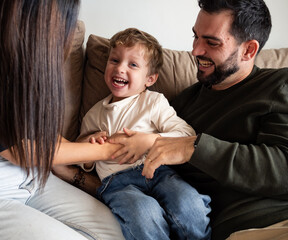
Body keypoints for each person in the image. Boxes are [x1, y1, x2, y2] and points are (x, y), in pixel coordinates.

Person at [0, 1, 125, 240]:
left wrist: (83, 145)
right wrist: (111, 150)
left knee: (118, 232)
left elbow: (33, 132)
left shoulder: (23, 59)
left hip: (28, 174)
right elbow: (25, 149)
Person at [136, 0, 288, 239]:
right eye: (195, 37)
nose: (196, 50)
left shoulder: (279, 85)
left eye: (211, 42)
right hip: (239, 230)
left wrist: (194, 147)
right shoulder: (180, 106)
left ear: (249, 50)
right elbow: (148, 177)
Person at [56, 28, 212, 240]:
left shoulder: (153, 102)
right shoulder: (94, 114)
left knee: (189, 204)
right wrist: (90, 144)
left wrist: (150, 141)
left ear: (150, 78)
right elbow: (82, 157)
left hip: (159, 172)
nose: (120, 68)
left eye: (133, 64)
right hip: (117, 183)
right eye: (114, 60)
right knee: (143, 213)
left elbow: (185, 134)